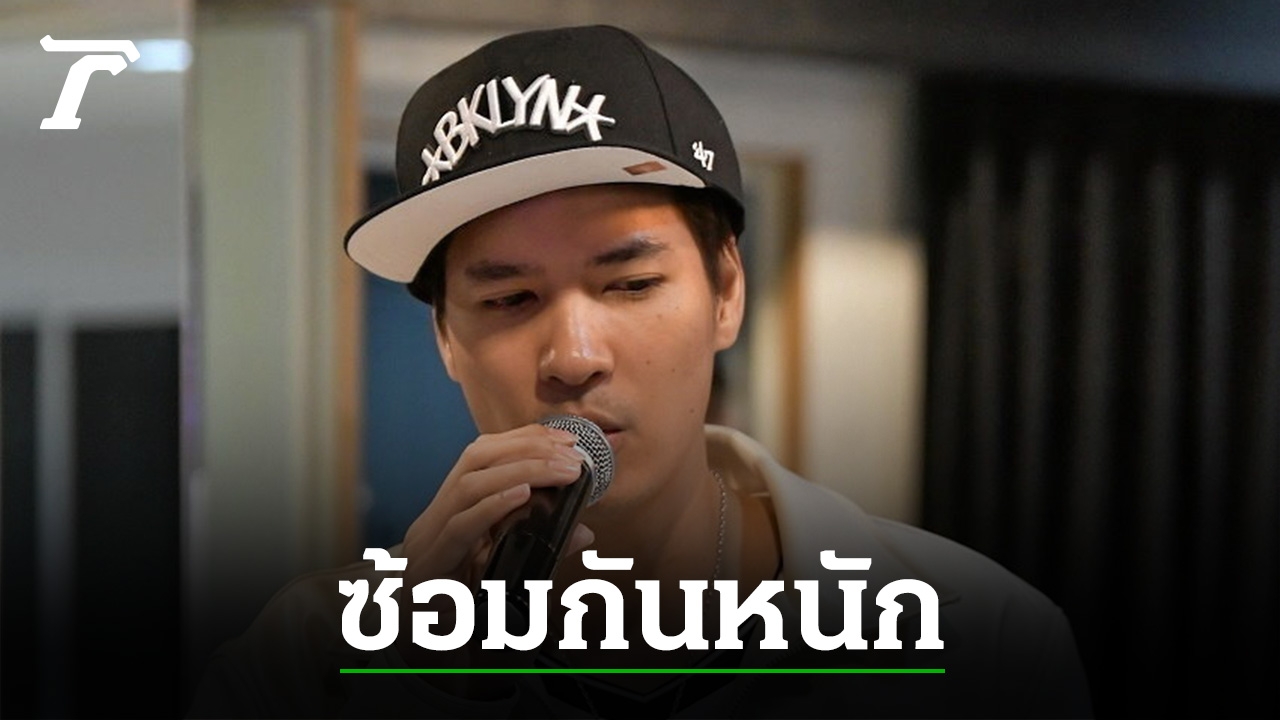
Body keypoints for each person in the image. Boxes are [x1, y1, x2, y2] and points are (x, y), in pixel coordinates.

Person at [190, 25, 1092, 718]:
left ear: (727, 292)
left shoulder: (979, 639)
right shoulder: (303, 664)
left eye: (629, 284)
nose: (574, 358)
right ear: (446, 341)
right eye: (508, 299)